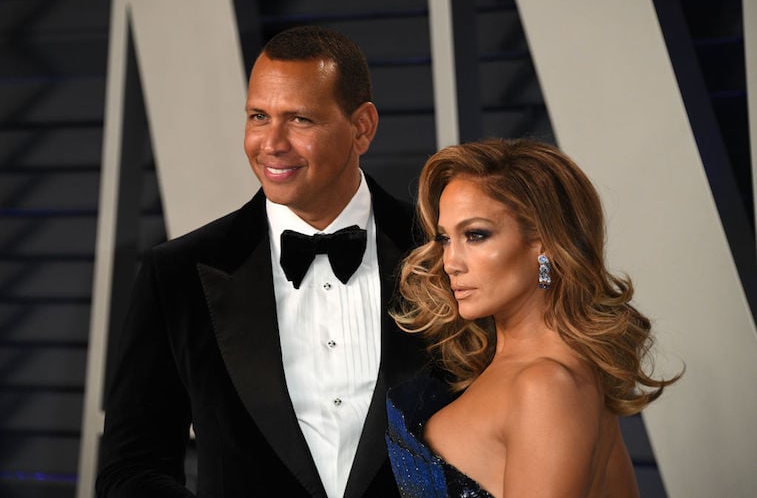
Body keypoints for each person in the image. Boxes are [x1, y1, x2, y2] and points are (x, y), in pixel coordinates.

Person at [96, 26, 428, 498]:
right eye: (258, 116)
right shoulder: (176, 275)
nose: (271, 143)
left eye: (299, 120)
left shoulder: (440, 254)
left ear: (362, 127)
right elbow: (129, 468)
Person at [385, 138, 681, 498]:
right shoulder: (555, 375)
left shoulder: (545, 385)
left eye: (475, 235)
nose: (450, 262)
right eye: (445, 239)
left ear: (544, 243)